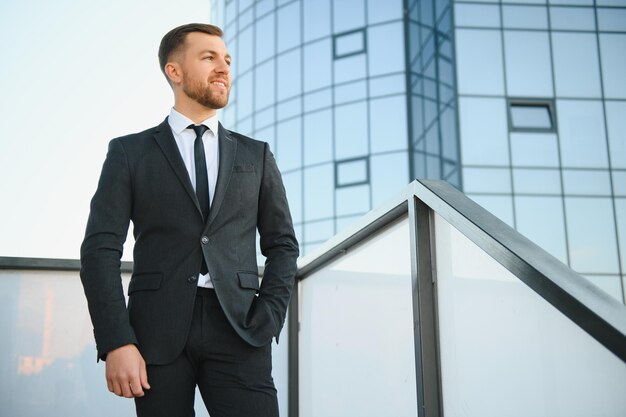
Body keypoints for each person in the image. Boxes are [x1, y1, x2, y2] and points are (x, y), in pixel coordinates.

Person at [80, 23, 299, 417]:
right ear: (174, 71)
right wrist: (116, 341)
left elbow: (283, 244)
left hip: (241, 329)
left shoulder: (256, 155)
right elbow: (99, 250)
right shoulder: (130, 153)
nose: (224, 68)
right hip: (154, 333)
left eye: (227, 60)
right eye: (209, 57)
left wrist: (269, 315)